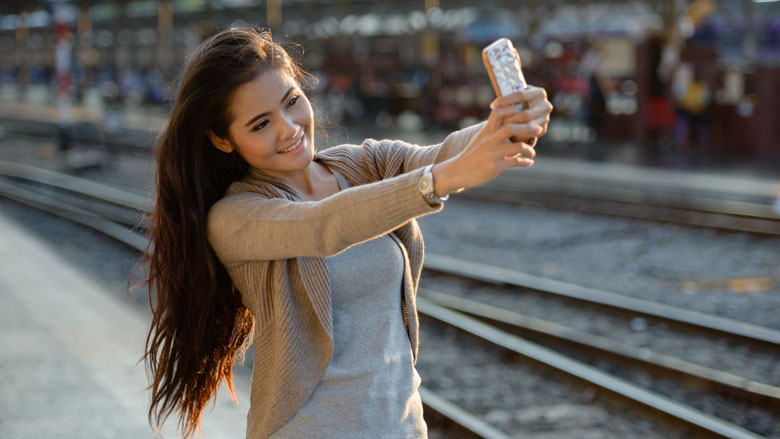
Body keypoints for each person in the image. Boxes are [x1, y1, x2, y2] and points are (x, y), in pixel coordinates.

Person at [140, 27, 552, 439]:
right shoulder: (235, 217)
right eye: (262, 123)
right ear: (222, 139)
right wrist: (439, 181)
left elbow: (442, 155)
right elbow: (325, 225)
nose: (289, 129)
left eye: (292, 102)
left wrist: (503, 124)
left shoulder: (363, 165)